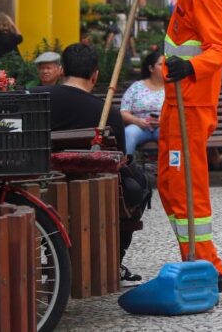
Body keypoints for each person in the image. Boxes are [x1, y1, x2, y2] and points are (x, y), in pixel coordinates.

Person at [130, 0, 222, 293]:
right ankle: (199, 258)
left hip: (191, 100)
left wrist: (188, 65)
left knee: (184, 184)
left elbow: (221, 50)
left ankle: (209, 265)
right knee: (172, 181)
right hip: (181, 98)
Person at [32, 44, 138, 285]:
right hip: (96, 194)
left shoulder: (37, 100)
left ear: (61, 71)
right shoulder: (107, 113)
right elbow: (118, 159)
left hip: (42, 188)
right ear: (95, 75)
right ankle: (115, 261)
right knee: (136, 183)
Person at [120, 51, 166, 156]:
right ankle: (126, 169)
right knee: (128, 133)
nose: (165, 67)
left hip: (164, 127)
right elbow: (123, 112)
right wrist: (137, 121)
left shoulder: (172, 88)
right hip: (139, 127)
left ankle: (173, 170)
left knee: (174, 136)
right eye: (160, 64)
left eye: (166, 64)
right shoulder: (136, 87)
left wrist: (163, 121)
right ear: (151, 68)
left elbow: (180, 112)